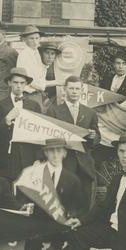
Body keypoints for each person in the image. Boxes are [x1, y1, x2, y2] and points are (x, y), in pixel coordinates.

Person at [22, 138, 86, 250]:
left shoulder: (72, 179)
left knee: (79, 231)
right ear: (45, 153)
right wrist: (26, 206)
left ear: (65, 154)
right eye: (51, 151)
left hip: (61, 221)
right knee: (32, 228)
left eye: (59, 151)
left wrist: (72, 215)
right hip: (38, 219)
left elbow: (79, 205)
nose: (55, 155)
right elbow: (24, 198)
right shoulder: (35, 174)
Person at [47, 75, 100, 209]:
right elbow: (48, 137)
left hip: (84, 165)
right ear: (65, 90)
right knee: (62, 202)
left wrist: (93, 136)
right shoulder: (54, 110)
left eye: (77, 88)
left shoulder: (90, 113)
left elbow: (97, 137)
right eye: (71, 88)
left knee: (84, 202)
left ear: (82, 90)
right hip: (63, 162)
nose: (75, 91)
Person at [0, 67, 41, 181]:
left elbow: (39, 134)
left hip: (28, 157)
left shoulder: (34, 106)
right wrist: (7, 119)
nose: (19, 86)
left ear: (26, 84)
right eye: (15, 82)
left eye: (22, 83)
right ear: (9, 83)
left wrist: (38, 158)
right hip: (7, 157)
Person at [16, 25, 61, 107]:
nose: (35, 41)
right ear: (25, 40)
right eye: (31, 38)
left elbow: (41, 74)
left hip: (37, 95)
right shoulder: (24, 55)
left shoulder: (37, 53)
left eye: (37, 38)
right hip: (28, 95)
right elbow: (29, 80)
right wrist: (57, 82)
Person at [39, 41, 61, 109]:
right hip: (40, 99)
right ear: (42, 53)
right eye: (47, 53)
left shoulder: (57, 68)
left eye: (52, 54)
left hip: (55, 100)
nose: (49, 57)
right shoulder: (37, 66)